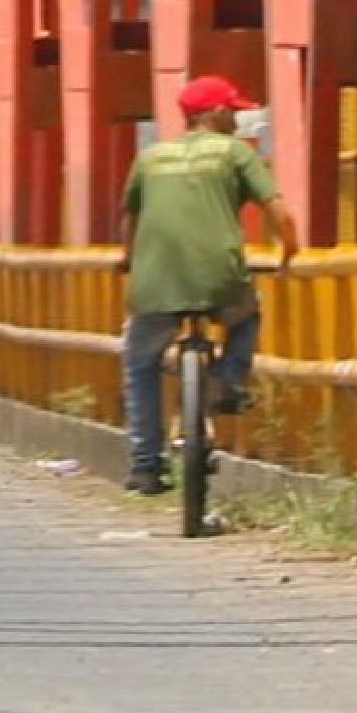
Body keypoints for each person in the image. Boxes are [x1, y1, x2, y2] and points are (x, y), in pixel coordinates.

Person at [118, 75, 290, 499]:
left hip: (155, 282)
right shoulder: (234, 152)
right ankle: (226, 382)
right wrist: (291, 251)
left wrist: (127, 260)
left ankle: (145, 463)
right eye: (232, 110)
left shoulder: (150, 157)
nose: (237, 118)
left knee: (139, 362)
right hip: (220, 278)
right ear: (213, 113)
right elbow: (277, 209)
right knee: (246, 314)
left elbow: (130, 220)